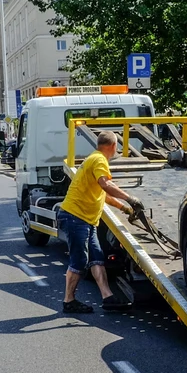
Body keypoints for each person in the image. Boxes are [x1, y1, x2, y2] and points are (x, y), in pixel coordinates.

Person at [57, 130, 143, 314]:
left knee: (97, 258)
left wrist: (125, 209)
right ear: (113, 146)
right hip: (75, 217)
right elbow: (106, 184)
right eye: (117, 146)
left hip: (86, 220)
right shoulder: (99, 160)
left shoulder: (93, 158)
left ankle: (107, 297)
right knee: (79, 261)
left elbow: (102, 195)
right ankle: (68, 301)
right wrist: (130, 198)